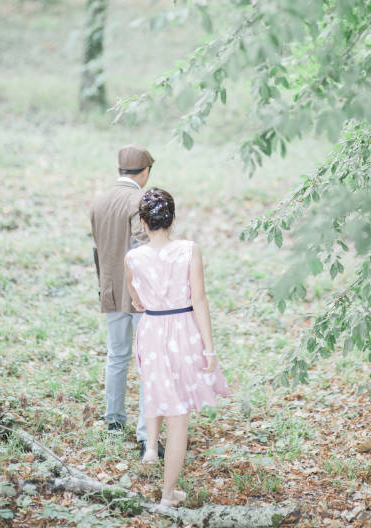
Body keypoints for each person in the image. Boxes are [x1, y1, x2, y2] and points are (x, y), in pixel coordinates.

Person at [124, 187, 230, 509]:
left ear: (144, 223)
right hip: (183, 331)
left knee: (156, 390)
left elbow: (135, 298)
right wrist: (209, 348)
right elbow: (199, 300)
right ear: (172, 220)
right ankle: (167, 494)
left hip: (152, 330)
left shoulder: (133, 257)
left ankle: (151, 449)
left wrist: (144, 302)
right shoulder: (189, 250)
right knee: (179, 415)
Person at [90, 143, 163, 458]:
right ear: (144, 171)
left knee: (116, 355)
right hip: (141, 294)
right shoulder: (140, 200)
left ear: (119, 169)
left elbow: (97, 249)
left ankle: (113, 421)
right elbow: (143, 244)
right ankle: (146, 435)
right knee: (148, 361)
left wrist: (104, 284)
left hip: (110, 289)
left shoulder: (99, 201)